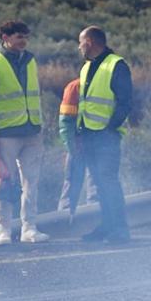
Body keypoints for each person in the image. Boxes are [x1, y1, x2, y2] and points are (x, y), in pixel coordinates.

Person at [0, 21, 49, 247]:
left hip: (32, 132)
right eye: (19, 36)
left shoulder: (30, 60)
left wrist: (40, 126)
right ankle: (4, 230)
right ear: (5, 37)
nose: (24, 41)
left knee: (32, 183)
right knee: (4, 183)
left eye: (25, 37)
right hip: (6, 134)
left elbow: (34, 95)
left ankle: (29, 229)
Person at [76, 27, 133, 243]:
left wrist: (111, 128)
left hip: (106, 136)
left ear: (89, 42)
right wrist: (79, 133)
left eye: (81, 42)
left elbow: (125, 101)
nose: (79, 47)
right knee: (99, 183)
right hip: (89, 134)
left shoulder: (116, 65)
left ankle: (120, 229)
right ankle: (107, 226)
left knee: (108, 182)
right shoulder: (86, 67)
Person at [57, 77, 96, 222]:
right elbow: (65, 122)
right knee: (72, 184)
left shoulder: (106, 85)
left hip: (97, 144)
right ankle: (63, 221)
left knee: (96, 185)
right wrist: (72, 147)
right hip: (78, 145)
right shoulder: (74, 87)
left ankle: (93, 219)